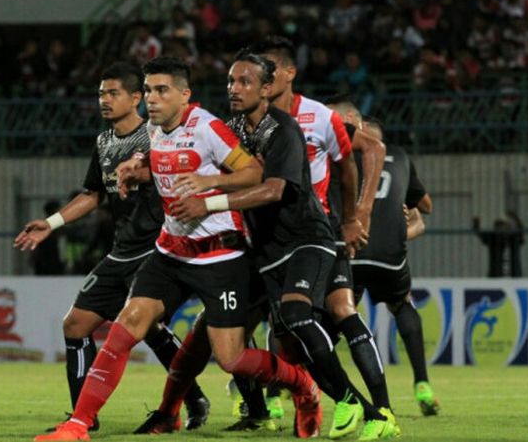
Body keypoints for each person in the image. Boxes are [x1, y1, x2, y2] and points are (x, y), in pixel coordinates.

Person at [36, 57, 322, 442]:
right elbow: (163, 163)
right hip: (170, 251)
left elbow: (255, 172)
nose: (152, 99)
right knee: (125, 328)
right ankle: (80, 423)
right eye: (150, 90)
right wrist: (140, 169)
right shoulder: (155, 129)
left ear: (184, 94)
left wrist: (207, 184)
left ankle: (302, 383)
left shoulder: (208, 128)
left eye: (161, 90)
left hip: (220, 256)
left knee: (230, 357)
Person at [135, 53, 398, 440]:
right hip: (264, 250)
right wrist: (141, 168)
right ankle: (272, 407)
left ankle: (366, 406)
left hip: (307, 238)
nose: (234, 90)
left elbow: (274, 189)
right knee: (235, 332)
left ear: (266, 88)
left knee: (299, 313)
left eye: (244, 82)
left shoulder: (284, 129)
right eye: (229, 82)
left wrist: (356, 216)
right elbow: (209, 160)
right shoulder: (234, 127)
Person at [14, 61, 210, 436]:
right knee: (75, 324)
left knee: (146, 325)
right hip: (121, 250)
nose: (104, 100)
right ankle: (82, 415)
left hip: (156, 247)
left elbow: (177, 171)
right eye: (101, 93)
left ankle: (197, 396)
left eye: (113, 93)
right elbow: (93, 195)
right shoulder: (104, 141)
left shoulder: (156, 135)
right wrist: (51, 224)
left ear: (136, 98)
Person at [251, 37, 391, 420]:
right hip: (268, 231)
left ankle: (381, 409)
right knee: (278, 322)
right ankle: (270, 404)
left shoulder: (320, 115)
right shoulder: (250, 119)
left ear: (289, 73)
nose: (260, 76)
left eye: (269, 68)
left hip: (318, 227)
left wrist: (358, 215)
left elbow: (372, 150)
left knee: (340, 309)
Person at [346, 119, 439, 417]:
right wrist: (401, 203)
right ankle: (422, 383)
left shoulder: (345, 155)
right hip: (389, 255)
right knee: (402, 305)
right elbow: (425, 206)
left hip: (351, 248)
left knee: (338, 314)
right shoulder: (399, 155)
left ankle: (290, 387)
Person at [31, 200, 65, 275]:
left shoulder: (59, 226)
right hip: (44, 260)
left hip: (55, 260)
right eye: (57, 210)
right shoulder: (43, 226)